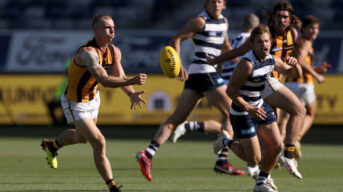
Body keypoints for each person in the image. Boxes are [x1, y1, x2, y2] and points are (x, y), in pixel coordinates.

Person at [136, 0, 244, 182]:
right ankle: (222, 160)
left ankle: (148, 153)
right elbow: (176, 39)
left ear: (224, 4)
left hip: (197, 76)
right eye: (212, 1)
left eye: (219, 1)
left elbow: (225, 47)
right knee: (232, 111)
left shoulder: (224, 22)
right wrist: (178, 65)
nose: (216, 4)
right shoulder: (199, 22)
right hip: (204, 72)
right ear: (206, 4)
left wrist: (239, 61)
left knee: (175, 120)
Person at [41, 15, 147, 192]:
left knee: (81, 138)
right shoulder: (88, 53)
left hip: (92, 99)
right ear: (95, 30)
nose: (112, 31)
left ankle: (51, 146)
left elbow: (120, 77)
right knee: (99, 141)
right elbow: (104, 80)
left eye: (113, 27)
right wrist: (131, 82)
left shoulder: (114, 51)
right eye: (107, 28)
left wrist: (131, 94)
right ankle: (112, 186)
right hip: (75, 103)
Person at [207, 1, 305, 179]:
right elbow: (238, 51)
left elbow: (291, 64)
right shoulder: (263, 35)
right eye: (279, 16)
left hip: (273, 77)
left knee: (276, 133)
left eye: (285, 17)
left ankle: (265, 167)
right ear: (273, 17)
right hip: (265, 81)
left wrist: (295, 65)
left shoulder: (293, 34)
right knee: (297, 111)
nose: (282, 20)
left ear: (290, 19)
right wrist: (216, 60)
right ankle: (282, 158)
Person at [172, 13, 260, 142]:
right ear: (257, 27)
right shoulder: (251, 41)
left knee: (227, 121)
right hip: (234, 84)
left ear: (243, 25)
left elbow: (226, 52)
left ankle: (187, 126)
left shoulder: (236, 39)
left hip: (221, 79)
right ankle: (229, 155)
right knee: (237, 118)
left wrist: (219, 63)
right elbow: (242, 60)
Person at [279, 15, 331, 158]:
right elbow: (300, 61)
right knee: (309, 114)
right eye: (311, 28)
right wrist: (317, 75)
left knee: (286, 118)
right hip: (303, 85)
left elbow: (300, 61)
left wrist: (316, 69)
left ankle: (277, 148)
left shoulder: (298, 42)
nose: (314, 31)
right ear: (304, 29)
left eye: (317, 28)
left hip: (289, 83)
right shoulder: (306, 42)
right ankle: (296, 138)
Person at [46, 60, 70, 126]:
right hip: (61, 100)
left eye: (67, 70)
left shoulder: (71, 80)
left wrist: (59, 99)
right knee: (50, 105)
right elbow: (59, 91)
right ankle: (57, 123)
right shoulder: (65, 79)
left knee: (64, 106)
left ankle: (64, 122)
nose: (66, 71)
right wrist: (56, 98)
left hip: (67, 101)